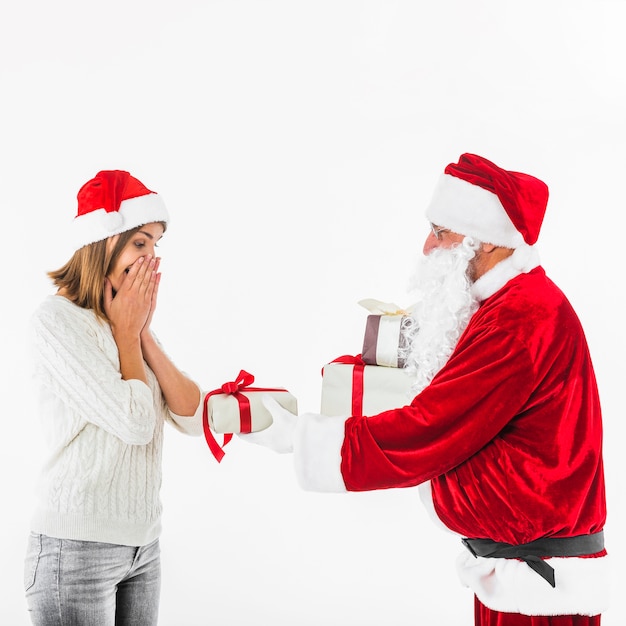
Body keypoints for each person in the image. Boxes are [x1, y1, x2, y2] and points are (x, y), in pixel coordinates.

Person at [243, 154, 608, 625]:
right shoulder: (508, 304)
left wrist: (298, 438)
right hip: (519, 570)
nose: (427, 246)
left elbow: (432, 427)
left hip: (536, 584)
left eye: (441, 232)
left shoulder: (520, 316)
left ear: (490, 242)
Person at [23, 170, 204, 625]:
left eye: (156, 246)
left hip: (143, 547)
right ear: (103, 241)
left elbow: (191, 414)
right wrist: (128, 332)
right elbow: (136, 423)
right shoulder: (55, 323)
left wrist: (142, 334)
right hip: (75, 551)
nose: (151, 259)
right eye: (140, 243)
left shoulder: (130, 325)